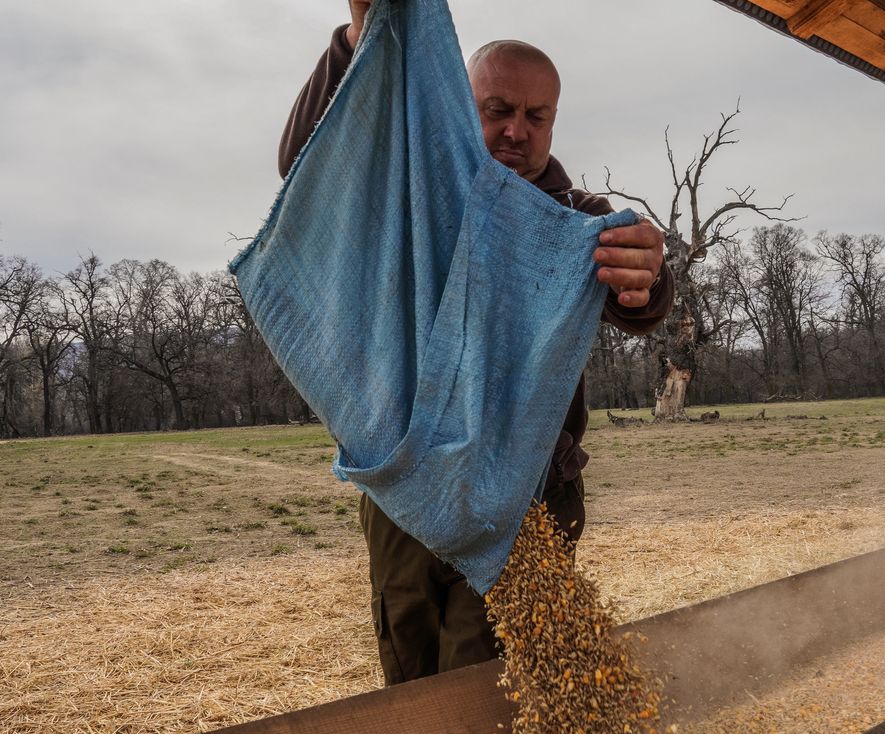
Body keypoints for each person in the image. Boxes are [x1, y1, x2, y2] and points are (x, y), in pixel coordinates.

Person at [278, 2, 674, 685]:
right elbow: (305, 163)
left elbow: (636, 299)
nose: (515, 130)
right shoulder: (408, 198)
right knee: (411, 665)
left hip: (527, 498)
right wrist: (357, 38)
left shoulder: (575, 220)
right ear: (461, 104)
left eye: (535, 116)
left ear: (553, 120)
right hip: (405, 486)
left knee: (496, 684)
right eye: (496, 109)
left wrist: (649, 278)